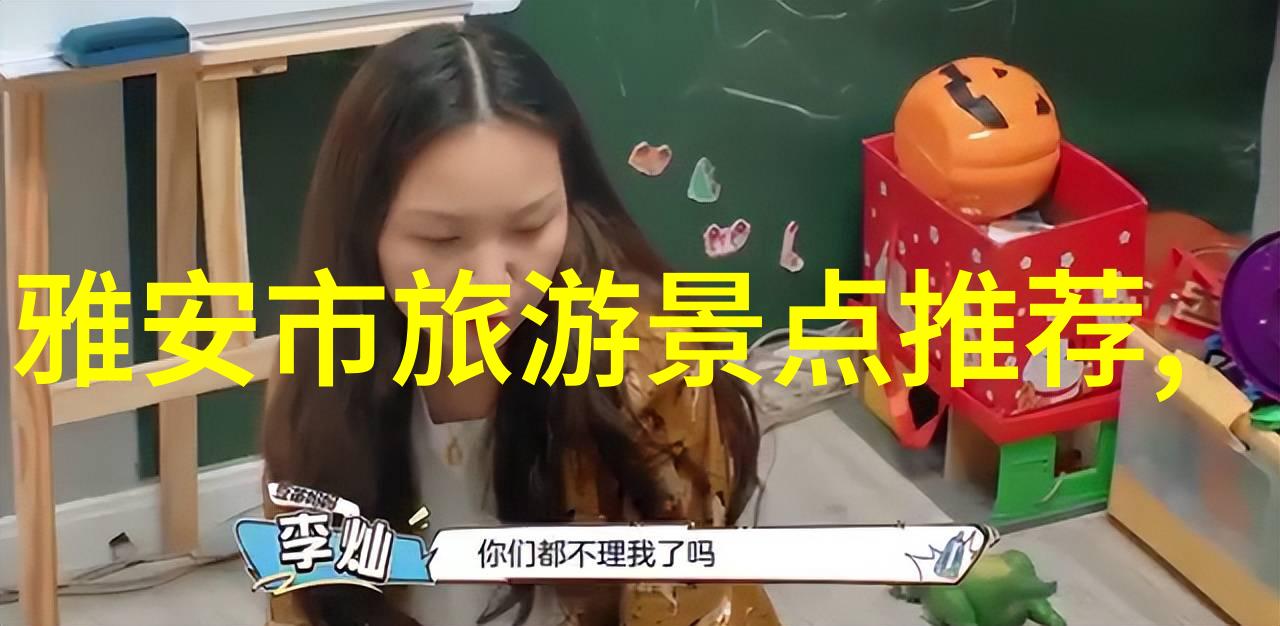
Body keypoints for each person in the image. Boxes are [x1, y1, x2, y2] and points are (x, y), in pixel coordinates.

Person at [259, 20, 780, 626]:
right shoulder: (318, 379)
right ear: (361, 235)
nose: (490, 284)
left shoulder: (655, 373)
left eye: (531, 227)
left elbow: (694, 603)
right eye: (441, 239)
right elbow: (306, 595)